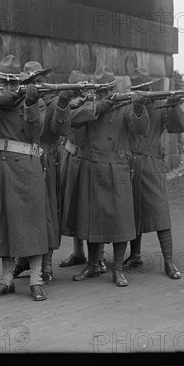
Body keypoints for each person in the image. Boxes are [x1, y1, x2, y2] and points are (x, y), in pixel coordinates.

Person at [69, 66, 149, 287]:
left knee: (120, 220)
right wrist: (98, 107)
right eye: (100, 91)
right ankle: (93, 265)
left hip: (118, 166)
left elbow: (139, 129)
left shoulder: (125, 106)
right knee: (92, 218)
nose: (104, 94)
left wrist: (140, 108)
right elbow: (72, 119)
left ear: (113, 87)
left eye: (107, 90)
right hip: (93, 166)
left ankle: (118, 269)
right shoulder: (90, 105)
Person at [0, 55, 50, 301]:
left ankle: (36, 279)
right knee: (4, 224)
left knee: (33, 223)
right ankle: (6, 279)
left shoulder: (35, 101)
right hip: (2, 168)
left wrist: (29, 104)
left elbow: (35, 132)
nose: (7, 86)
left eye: (11, 82)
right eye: (3, 82)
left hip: (27, 168)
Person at [123, 68, 184, 279]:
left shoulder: (161, 105)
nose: (146, 92)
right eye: (141, 90)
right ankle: (135, 255)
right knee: (132, 212)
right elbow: (135, 127)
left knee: (160, 213)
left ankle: (169, 262)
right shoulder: (127, 105)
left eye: (147, 88)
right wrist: (137, 106)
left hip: (152, 165)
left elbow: (178, 127)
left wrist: (174, 106)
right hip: (129, 163)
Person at [12, 61, 73, 284]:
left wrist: (64, 104)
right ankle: (22, 259)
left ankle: (46, 264)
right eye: (35, 82)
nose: (42, 84)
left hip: (47, 159)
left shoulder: (55, 101)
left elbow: (61, 129)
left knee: (49, 211)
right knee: (25, 210)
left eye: (42, 80)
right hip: (24, 161)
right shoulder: (19, 101)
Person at [58, 70, 108, 274]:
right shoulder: (69, 105)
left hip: (89, 159)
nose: (85, 92)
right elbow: (67, 118)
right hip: (71, 156)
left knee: (93, 208)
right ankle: (78, 251)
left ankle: (100, 256)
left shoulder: (95, 103)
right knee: (73, 207)